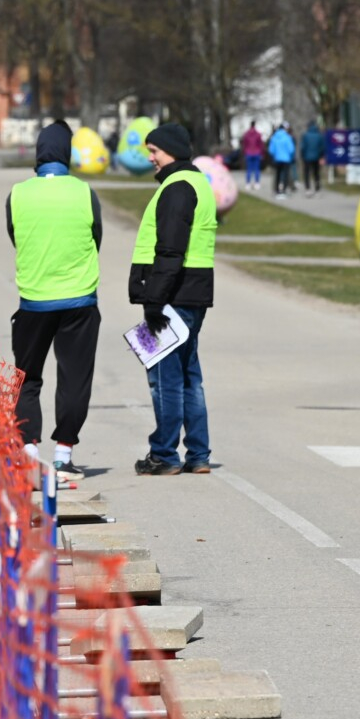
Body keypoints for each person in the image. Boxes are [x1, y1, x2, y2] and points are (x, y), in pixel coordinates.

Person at [6, 121, 102, 483]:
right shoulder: (84, 192)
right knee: (74, 377)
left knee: (27, 377)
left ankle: (28, 449)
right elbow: (97, 237)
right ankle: (63, 453)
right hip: (79, 299)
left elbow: (16, 236)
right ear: (67, 153)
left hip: (34, 301)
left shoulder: (17, 193)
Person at [129, 123, 215, 476]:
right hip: (193, 292)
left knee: (164, 377)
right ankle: (198, 454)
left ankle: (164, 454)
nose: (151, 158)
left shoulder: (177, 188)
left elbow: (169, 250)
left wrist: (154, 300)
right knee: (188, 375)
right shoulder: (197, 183)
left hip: (173, 294)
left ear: (173, 152)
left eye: (155, 152)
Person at [267, 122, 296, 198]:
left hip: (277, 159)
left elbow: (271, 150)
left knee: (278, 175)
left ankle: (277, 190)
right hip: (286, 159)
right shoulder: (287, 137)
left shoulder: (274, 137)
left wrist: (275, 155)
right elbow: (291, 149)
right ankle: (284, 190)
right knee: (285, 175)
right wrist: (290, 156)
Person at [300, 119, 326, 197]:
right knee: (316, 174)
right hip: (317, 157)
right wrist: (321, 156)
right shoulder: (319, 135)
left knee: (307, 174)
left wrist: (302, 156)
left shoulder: (305, 135)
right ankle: (317, 189)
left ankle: (308, 189)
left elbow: (303, 147)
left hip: (307, 157)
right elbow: (322, 147)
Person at [240, 121, 265, 191]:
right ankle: (257, 183)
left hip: (248, 153)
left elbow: (244, 144)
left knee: (249, 169)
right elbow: (261, 145)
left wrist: (244, 152)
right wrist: (262, 153)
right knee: (257, 169)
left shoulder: (246, 134)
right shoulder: (258, 134)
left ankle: (248, 183)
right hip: (257, 153)